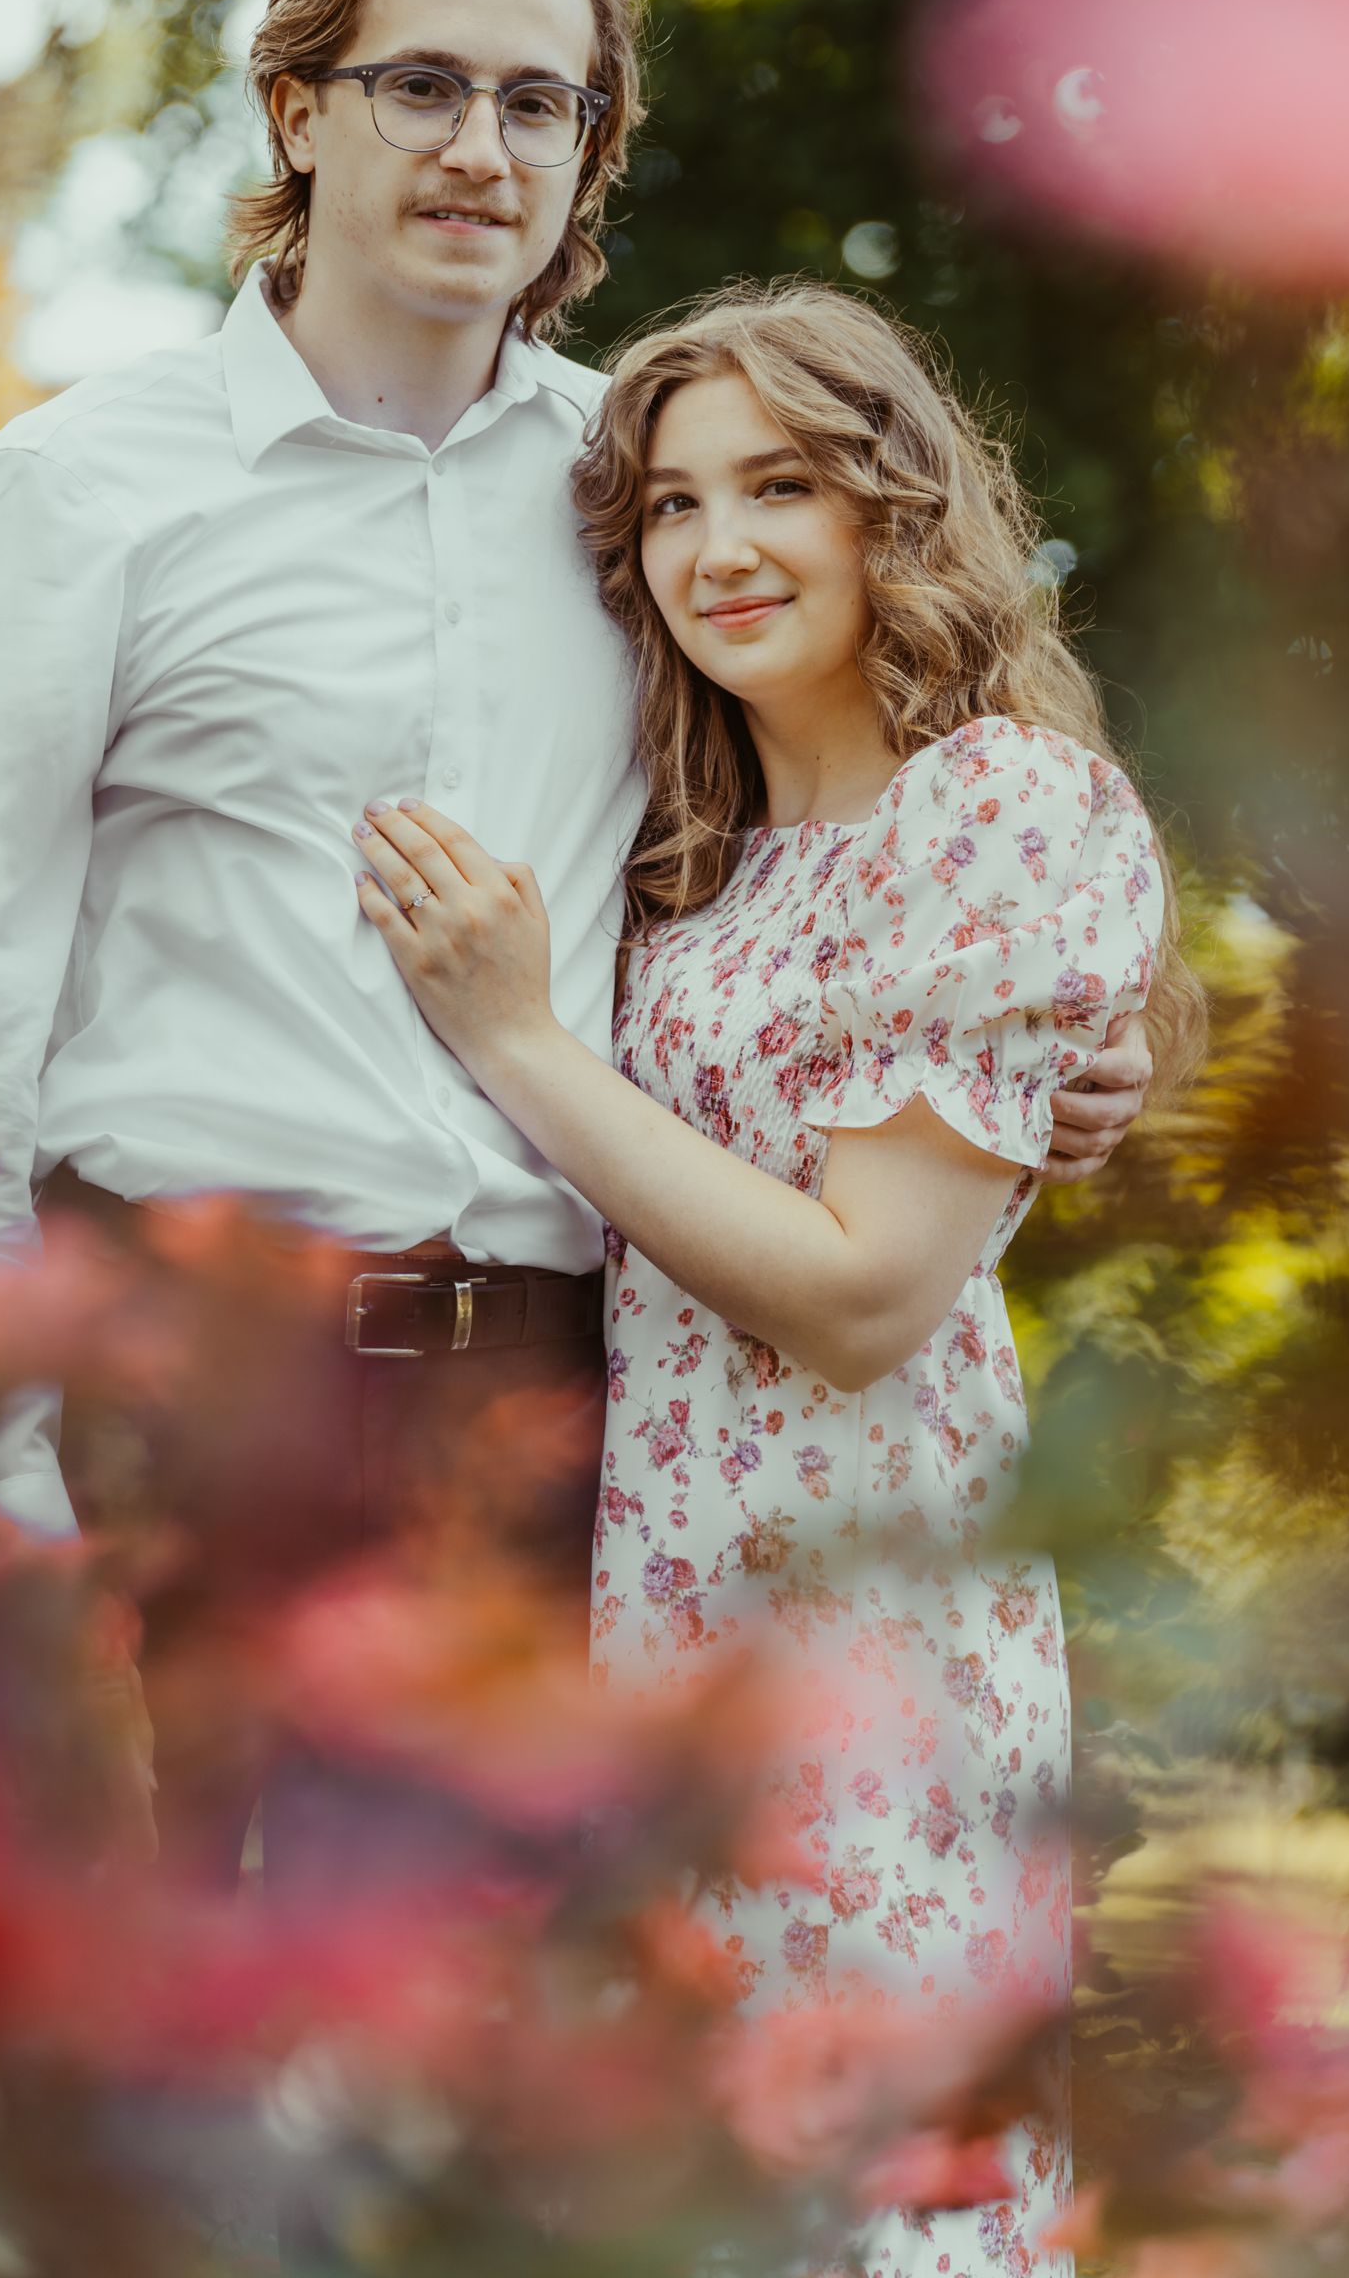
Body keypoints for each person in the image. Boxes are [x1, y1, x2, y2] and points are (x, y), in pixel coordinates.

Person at [0, 0, 1155, 1888]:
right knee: (139, 2043)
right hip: (193, 1405)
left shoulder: (646, 495)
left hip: (566, 1424)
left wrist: (1029, 1058)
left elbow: (823, 870)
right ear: (300, 112)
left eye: (539, 102)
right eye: (424, 86)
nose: (482, 147)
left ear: (588, 152)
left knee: (492, 2069)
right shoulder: (78, 491)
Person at [350, 279, 1203, 2277]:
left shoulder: (997, 804)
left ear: (892, 508)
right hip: (665, 1624)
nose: (718, 548)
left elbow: (859, 1297)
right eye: (672, 506)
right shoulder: (693, 857)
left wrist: (519, 1035)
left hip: (870, 1639)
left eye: (781, 487)